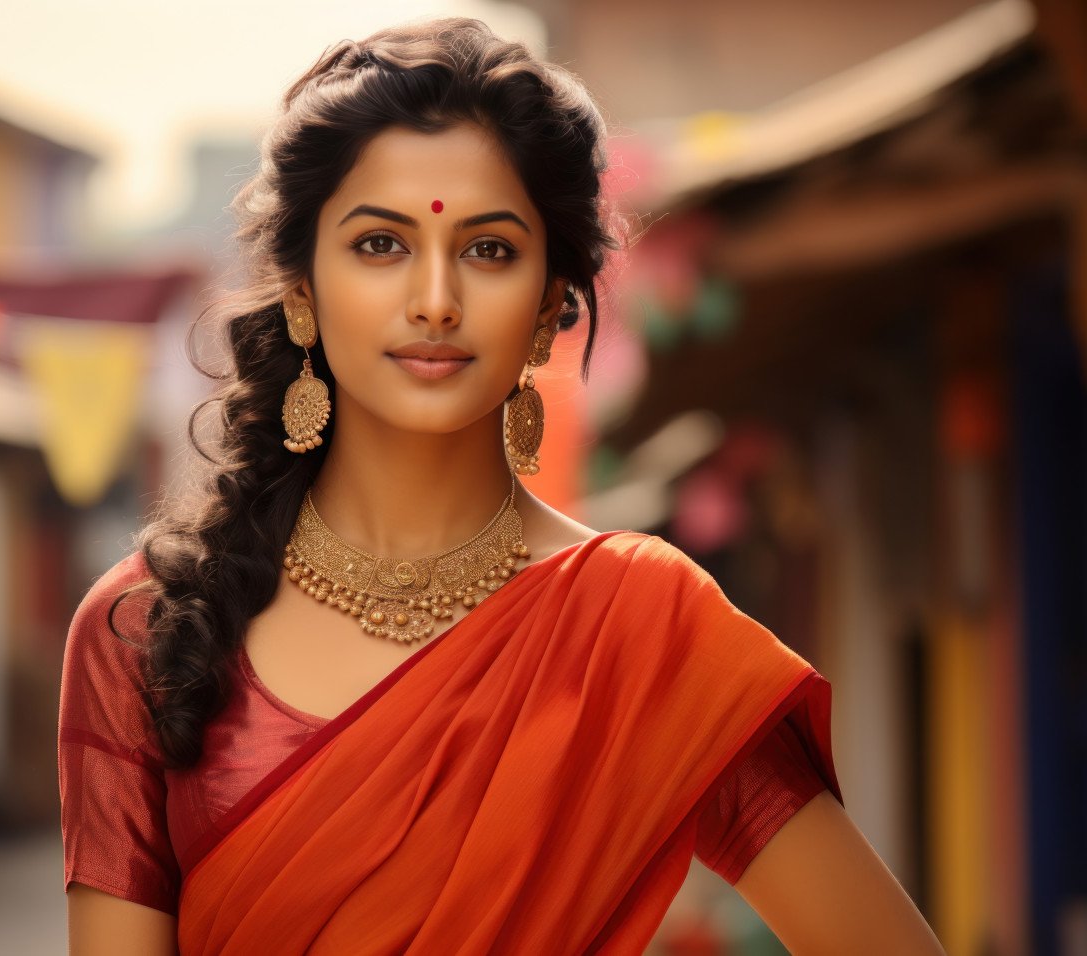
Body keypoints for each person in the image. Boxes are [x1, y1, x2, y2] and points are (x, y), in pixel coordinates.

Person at [58, 18, 944, 955]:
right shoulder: (147, 631)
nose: (435, 298)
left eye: (488, 250)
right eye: (379, 246)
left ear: (550, 302)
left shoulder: (640, 629)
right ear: (303, 294)